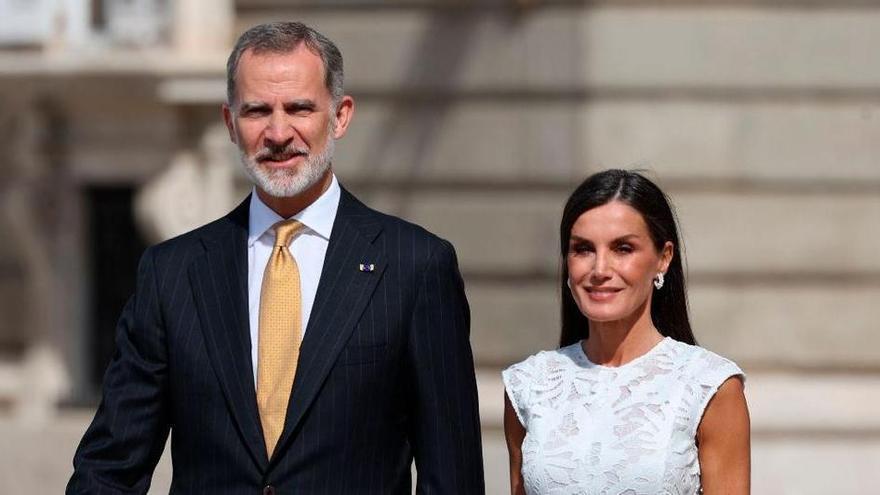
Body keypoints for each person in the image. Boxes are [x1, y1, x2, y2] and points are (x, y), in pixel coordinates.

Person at [68, 21, 484, 494]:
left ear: (340, 116)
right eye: (258, 111)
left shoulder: (414, 266)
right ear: (230, 123)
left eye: (300, 108)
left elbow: (452, 476)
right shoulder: (173, 274)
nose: (279, 132)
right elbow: (110, 467)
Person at [502, 169, 750, 494]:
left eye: (622, 248)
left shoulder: (709, 386)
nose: (600, 270)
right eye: (583, 249)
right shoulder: (529, 384)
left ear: (663, 258)